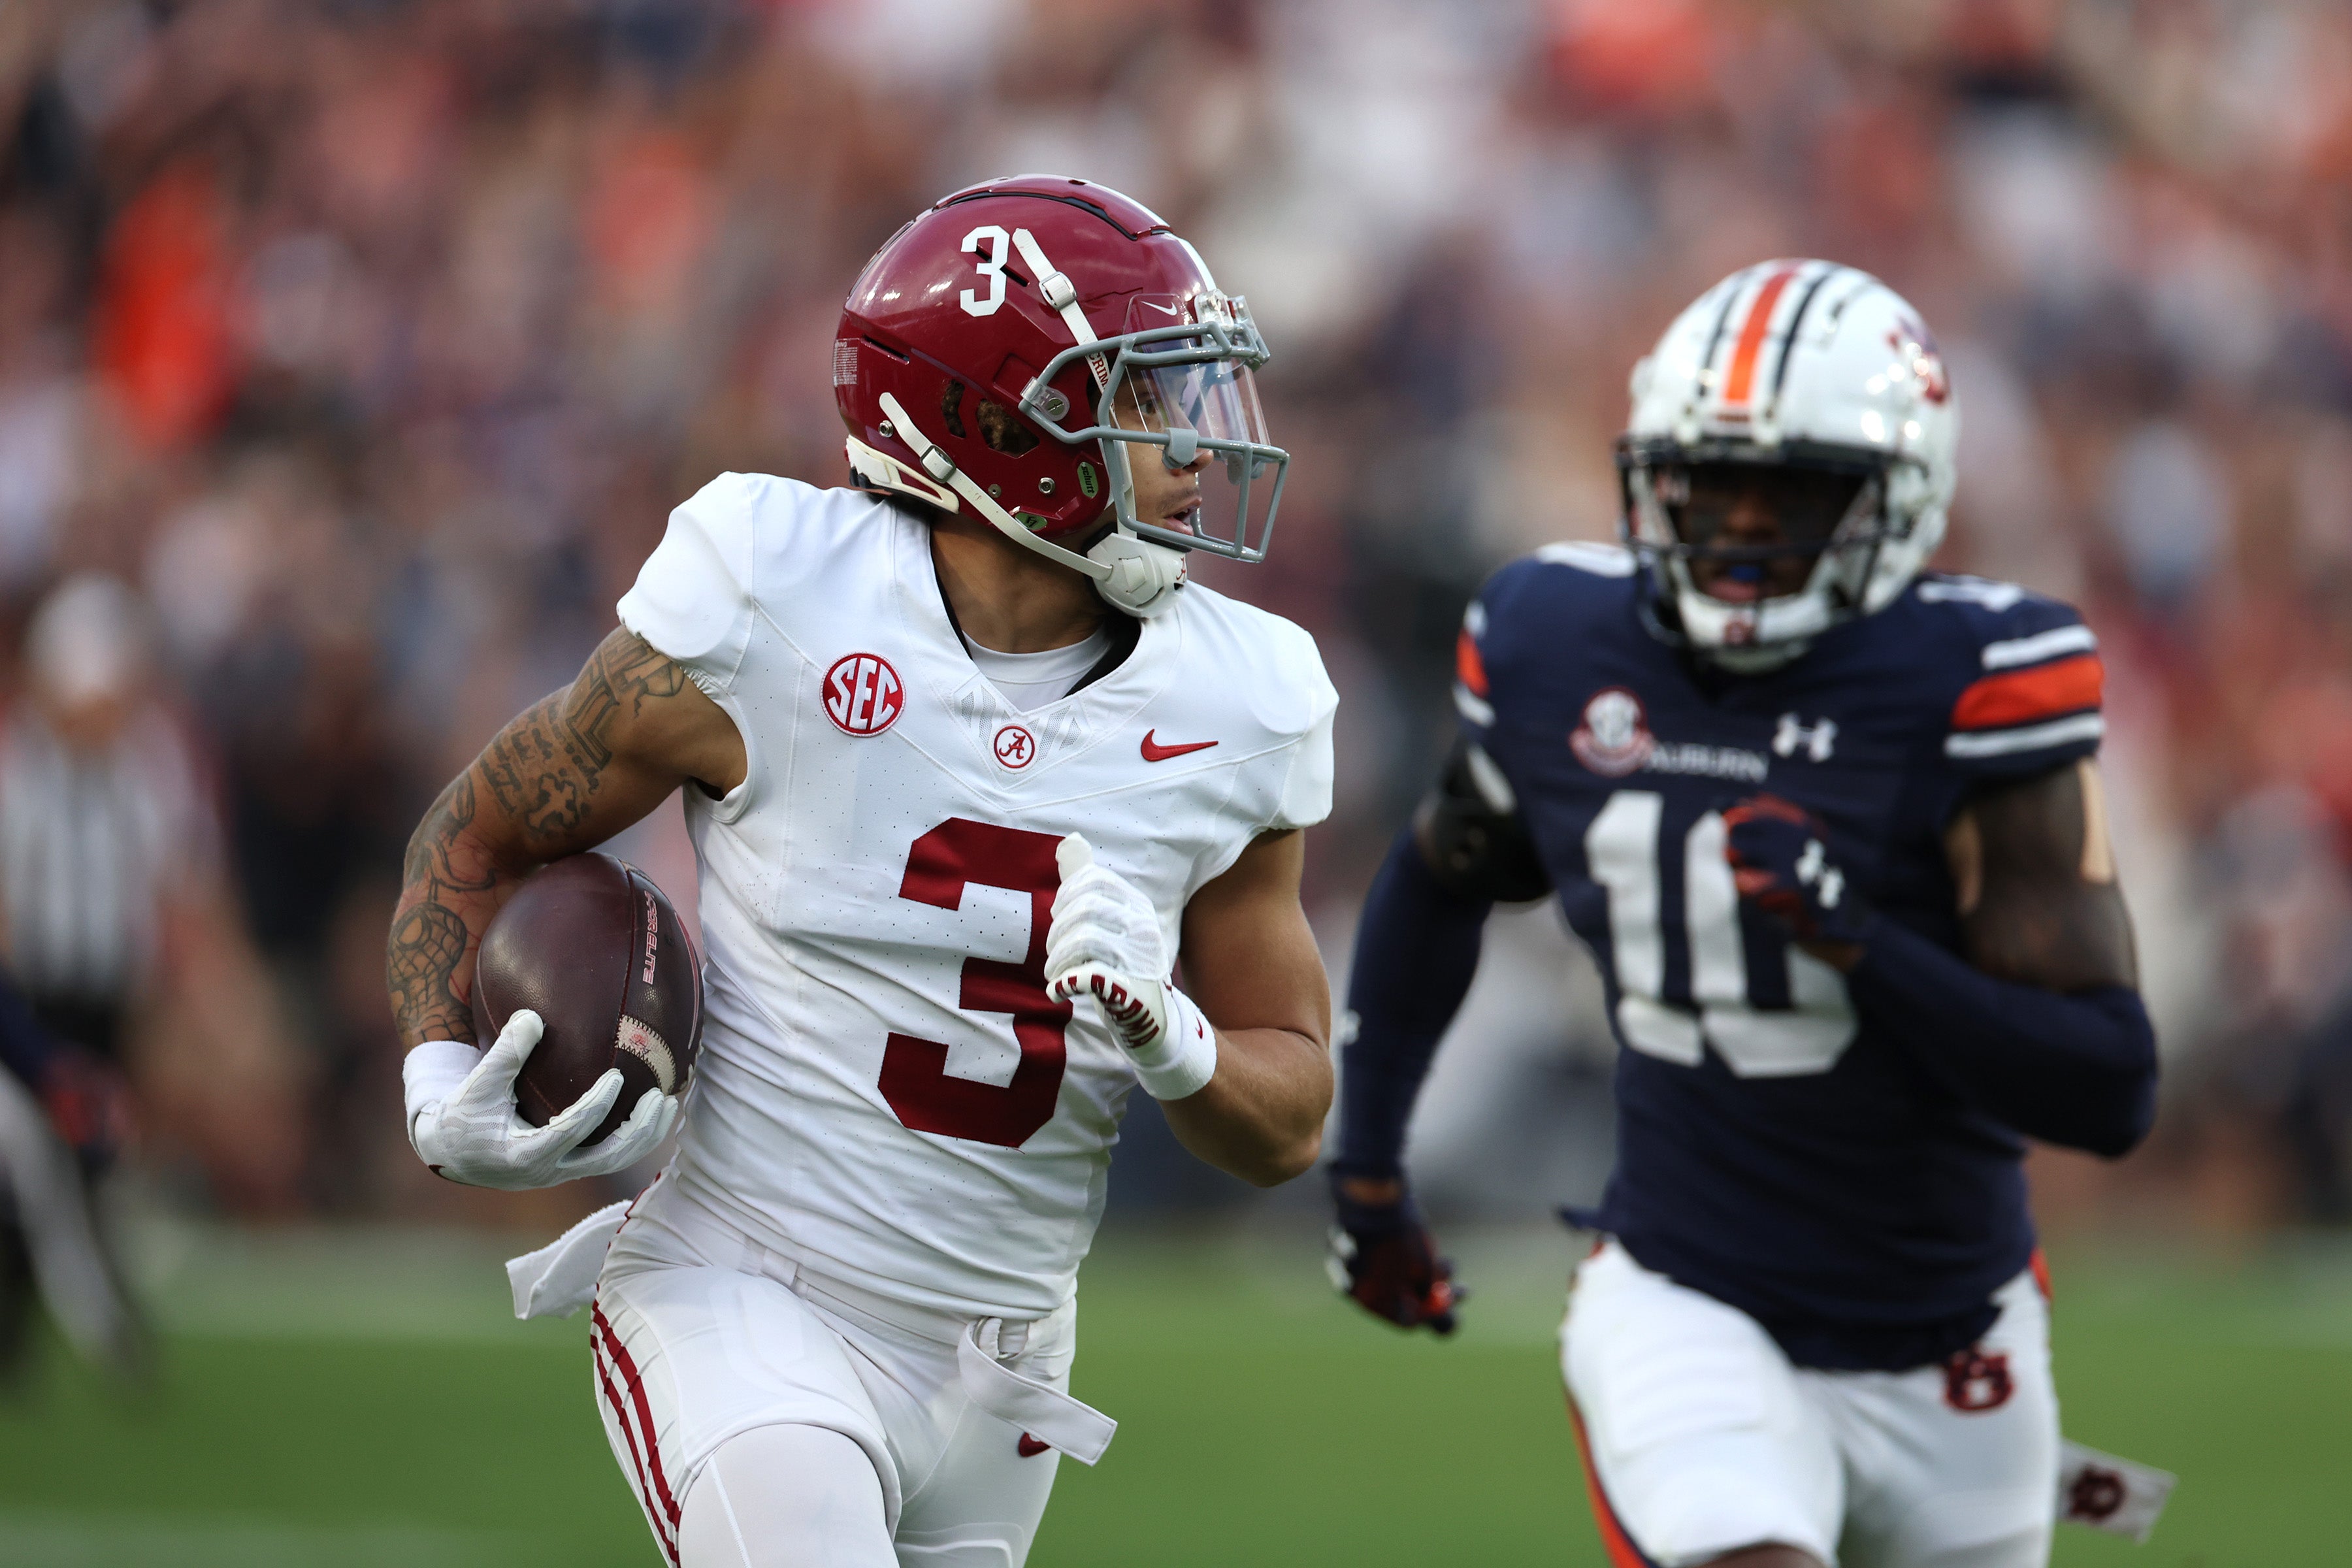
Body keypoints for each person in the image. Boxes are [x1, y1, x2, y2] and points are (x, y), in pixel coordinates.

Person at [388, 176, 1337, 1568]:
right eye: (1141, 398)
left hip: (1008, 1366)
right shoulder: (777, 596)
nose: (1196, 447)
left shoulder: (1244, 700)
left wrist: (1176, 1037)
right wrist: (429, 1071)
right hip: (749, 1292)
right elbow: (479, 834)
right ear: (997, 426)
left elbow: (1291, 1115)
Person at [1327, 261, 2158, 1568]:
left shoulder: (1976, 680)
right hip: (1688, 1298)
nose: (1745, 526)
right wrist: (1368, 1167)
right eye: (1713, 483)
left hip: (1957, 1345)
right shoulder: (1555, 638)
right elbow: (1444, 872)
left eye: (1799, 491)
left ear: (1900, 497)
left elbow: (2108, 1089)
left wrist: (1860, 944)